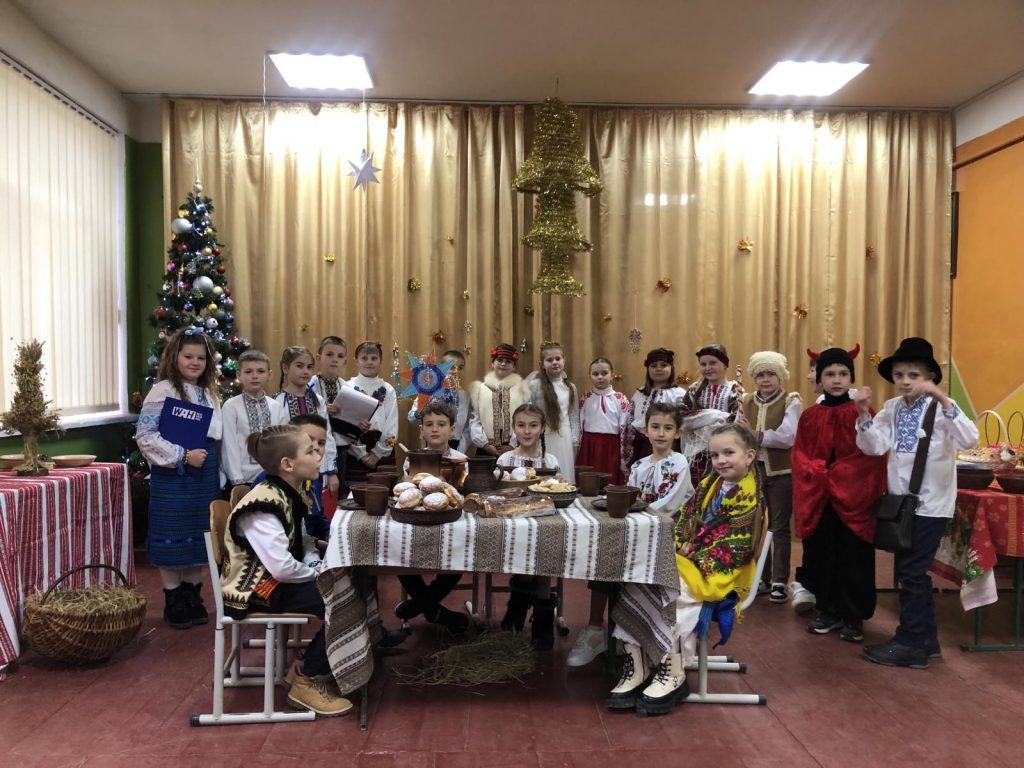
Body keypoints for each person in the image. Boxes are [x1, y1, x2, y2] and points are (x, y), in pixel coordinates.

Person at [607, 423, 762, 716]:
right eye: (715, 455)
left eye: (729, 453)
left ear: (750, 455)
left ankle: (673, 669)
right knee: (638, 579)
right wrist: (680, 545)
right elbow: (682, 519)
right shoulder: (708, 485)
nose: (721, 461)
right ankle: (638, 663)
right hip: (693, 561)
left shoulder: (750, 497)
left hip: (722, 572)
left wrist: (696, 555)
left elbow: (736, 548)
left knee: (667, 589)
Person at [856, 337, 979, 668]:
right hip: (903, 506)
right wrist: (863, 413)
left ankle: (910, 642)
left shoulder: (943, 408)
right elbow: (873, 446)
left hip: (932, 505)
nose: (905, 381)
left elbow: (970, 439)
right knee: (911, 572)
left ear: (930, 377)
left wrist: (942, 398)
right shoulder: (893, 408)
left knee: (911, 572)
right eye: (899, 375)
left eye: (914, 375)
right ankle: (927, 641)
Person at [220, 424, 351, 717]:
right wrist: (319, 573)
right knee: (343, 600)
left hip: (275, 579)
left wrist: (317, 559)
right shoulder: (263, 505)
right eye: (310, 450)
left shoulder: (287, 491)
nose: (318, 454)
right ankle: (307, 678)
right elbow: (280, 567)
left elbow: (301, 540)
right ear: (288, 464)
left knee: (348, 585)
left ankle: (308, 665)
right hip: (256, 589)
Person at [569, 402, 697, 668]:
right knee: (604, 557)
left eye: (668, 428)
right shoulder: (639, 465)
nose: (660, 433)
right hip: (640, 532)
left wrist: (634, 515)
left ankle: (636, 636)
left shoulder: (679, 463)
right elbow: (631, 497)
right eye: (655, 427)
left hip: (666, 537)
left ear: (678, 433)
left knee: (618, 557)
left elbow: (670, 505)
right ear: (646, 431)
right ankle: (595, 630)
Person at [792, 345, 886, 643]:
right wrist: (817, 472)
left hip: (853, 498)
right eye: (829, 374)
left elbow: (871, 456)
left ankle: (853, 615)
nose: (836, 379)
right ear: (819, 378)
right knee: (821, 553)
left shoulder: (862, 413)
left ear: (851, 378)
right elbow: (800, 455)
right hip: (819, 498)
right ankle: (828, 609)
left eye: (843, 374)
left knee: (853, 556)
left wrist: (840, 475)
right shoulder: (810, 416)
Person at [136, 329, 223, 629]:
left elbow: (217, 436)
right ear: (175, 357)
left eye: (201, 358)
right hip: (175, 475)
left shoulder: (210, 393)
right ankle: (174, 599)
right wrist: (183, 456)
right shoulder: (162, 390)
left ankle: (192, 595)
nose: (195, 362)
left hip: (205, 475)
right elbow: (145, 436)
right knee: (172, 536)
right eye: (188, 356)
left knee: (199, 536)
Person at [395, 401, 470, 635]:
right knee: (398, 554)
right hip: (417, 523)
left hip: (451, 525)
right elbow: (406, 490)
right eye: (429, 424)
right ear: (421, 430)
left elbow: (462, 493)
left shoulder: (461, 459)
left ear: (452, 429)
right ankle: (433, 610)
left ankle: (422, 603)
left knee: (460, 556)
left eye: (441, 424)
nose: (435, 429)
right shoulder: (412, 458)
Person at [737, 351, 802, 604]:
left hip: (781, 473)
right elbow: (738, 433)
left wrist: (754, 434)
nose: (766, 379)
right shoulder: (745, 401)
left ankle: (779, 581)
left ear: (780, 376)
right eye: (761, 374)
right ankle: (761, 577)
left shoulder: (791, 401)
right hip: (753, 472)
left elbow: (787, 437)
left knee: (779, 527)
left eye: (771, 374)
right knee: (755, 525)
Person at [497, 403, 561, 650]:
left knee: (544, 553)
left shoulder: (549, 460)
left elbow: (557, 492)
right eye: (521, 425)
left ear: (542, 428)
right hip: (513, 527)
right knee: (525, 554)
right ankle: (517, 606)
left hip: (543, 525)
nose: (527, 431)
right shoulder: (505, 459)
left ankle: (542, 618)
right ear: (514, 428)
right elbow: (497, 493)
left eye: (533, 425)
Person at [274, 345, 340, 501]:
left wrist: (331, 472)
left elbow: (327, 436)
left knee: (315, 510)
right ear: (285, 368)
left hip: (317, 470)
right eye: (299, 366)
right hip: (289, 473)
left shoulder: (318, 401)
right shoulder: (277, 402)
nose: (305, 371)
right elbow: (277, 441)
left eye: (309, 367)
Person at [220, 349, 287, 489]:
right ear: (239, 375)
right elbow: (229, 445)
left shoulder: (276, 406)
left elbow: (282, 444)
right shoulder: (231, 406)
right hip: (243, 479)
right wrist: (237, 479)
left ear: (269, 375)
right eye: (248, 372)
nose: (254, 376)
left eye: (260, 371)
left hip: (273, 478)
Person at [680, 343, 744, 487]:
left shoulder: (734, 389)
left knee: (719, 488)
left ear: (725, 365)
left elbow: (734, 421)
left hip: (725, 452)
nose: (707, 367)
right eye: (703, 364)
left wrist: (701, 420)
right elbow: (683, 418)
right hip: (697, 455)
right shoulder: (695, 389)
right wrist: (717, 416)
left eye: (713, 363)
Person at [342, 341, 399, 484]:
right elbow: (343, 424)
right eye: (364, 358)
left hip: (383, 452)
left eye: (374, 358)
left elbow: (392, 425)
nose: (369, 362)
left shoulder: (388, 389)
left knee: (384, 491)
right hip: (354, 451)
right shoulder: (347, 387)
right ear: (356, 361)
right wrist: (360, 453)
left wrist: (378, 453)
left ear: (380, 361)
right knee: (354, 492)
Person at [522, 341, 580, 482]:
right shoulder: (534, 386)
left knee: (563, 475)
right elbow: (527, 414)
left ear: (564, 360)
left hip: (564, 437)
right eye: (549, 360)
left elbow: (574, 418)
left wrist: (575, 444)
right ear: (542, 364)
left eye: (558, 359)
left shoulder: (570, 387)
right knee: (544, 476)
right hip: (542, 437)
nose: (554, 362)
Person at [623, 348, 686, 470]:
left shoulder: (679, 394)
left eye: (664, 365)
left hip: (667, 445)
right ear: (648, 369)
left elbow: (684, 421)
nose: (658, 369)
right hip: (641, 445)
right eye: (653, 366)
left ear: (671, 368)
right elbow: (630, 419)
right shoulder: (639, 393)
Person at [576, 357, 631, 486]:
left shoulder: (620, 398)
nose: (600, 377)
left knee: (609, 480)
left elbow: (625, 426)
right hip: (589, 445)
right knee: (589, 481)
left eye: (604, 373)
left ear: (611, 375)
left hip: (611, 446)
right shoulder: (585, 398)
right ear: (590, 376)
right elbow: (579, 423)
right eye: (595, 374)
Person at [406, 349, 473, 452]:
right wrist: (422, 409)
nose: (456, 371)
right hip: (432, 445)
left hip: (457, 447)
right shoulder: (429, 391)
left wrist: (460, 450)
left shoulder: (466, 397)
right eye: (451, 367)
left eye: (460, 368)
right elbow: (411, 417)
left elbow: (467, 429)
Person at [468, 343, 526, 455]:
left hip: (514, 448)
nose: (503, 364)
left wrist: (512, 444)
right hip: (485, 449)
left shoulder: (522, 389)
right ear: (492, 363)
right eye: (499, 360)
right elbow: (475, 420)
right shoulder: (480, 389)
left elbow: (525, 419)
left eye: (508, 361)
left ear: (514, 366)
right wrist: (485, 444)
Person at [310, 335, 349, 489]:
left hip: (341, 446)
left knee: (338, 491)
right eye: (329, 354)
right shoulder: (310, 385)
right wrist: (324, 409)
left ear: (345, 361)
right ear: (318, 358)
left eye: (340, 356)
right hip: (315, 445)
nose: (335, 360)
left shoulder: (348, 387)